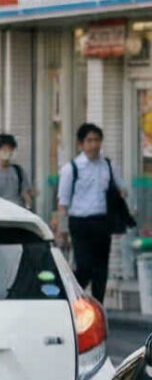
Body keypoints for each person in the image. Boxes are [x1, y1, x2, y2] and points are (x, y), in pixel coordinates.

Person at [57, 122, 129, 303]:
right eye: (89, 140)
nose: (94, 145)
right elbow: (63, 203)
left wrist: (118, 195)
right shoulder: (70, 169)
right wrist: (62, 230)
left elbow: (122, 188)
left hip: (102, 221)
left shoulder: (108, 165)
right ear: (81, 144)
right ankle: (70, 299)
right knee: (84, 267)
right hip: (79, 222)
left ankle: (98, 305)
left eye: (97, 140)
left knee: (101, 268)